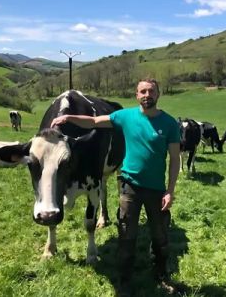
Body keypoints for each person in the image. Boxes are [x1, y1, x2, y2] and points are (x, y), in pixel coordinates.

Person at [50, 78, 181, 296]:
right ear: (136, 95)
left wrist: (170, 189)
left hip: (156, 189)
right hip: (129, 187)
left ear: (158, 94)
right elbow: (93, 121)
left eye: (151, 91)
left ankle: (161, 275)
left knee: (160, 237)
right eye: (143, 91)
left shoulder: (169, 124)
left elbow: (175, 159)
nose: (147, 95)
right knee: (126, 236)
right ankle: (125, 282)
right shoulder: (124, 116)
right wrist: (67, 117)